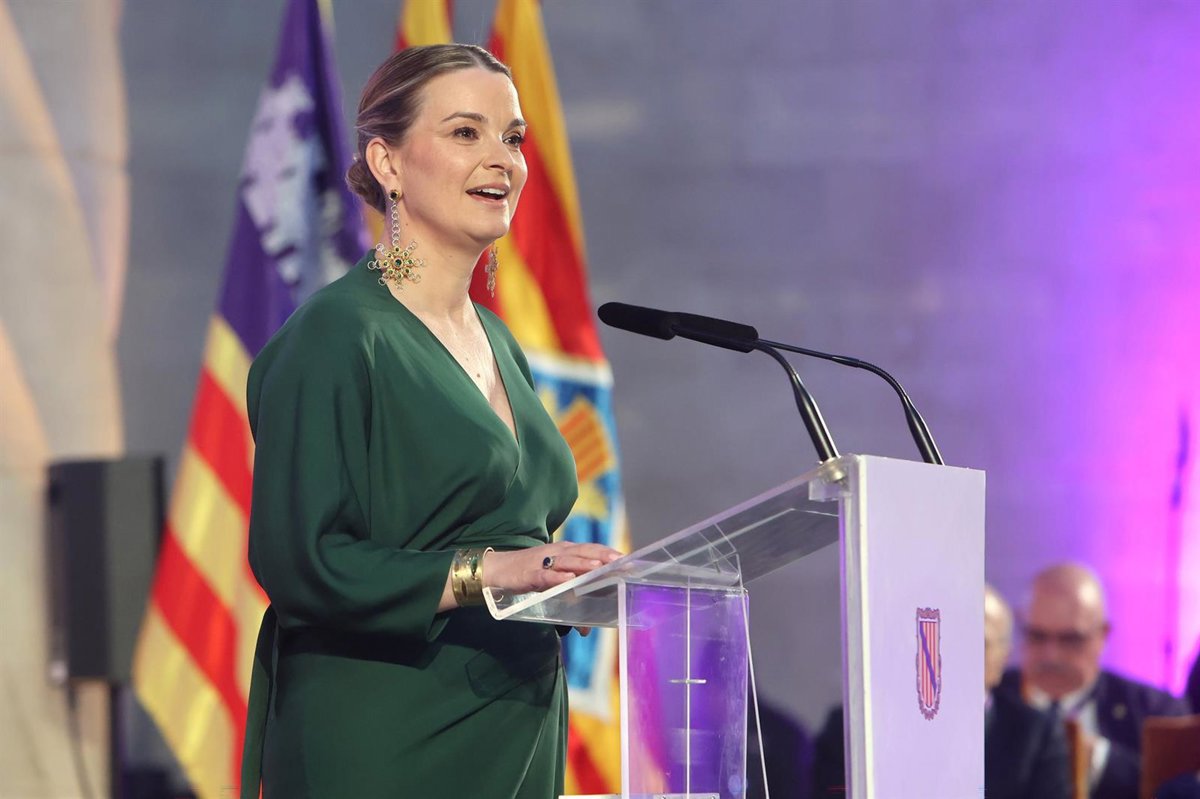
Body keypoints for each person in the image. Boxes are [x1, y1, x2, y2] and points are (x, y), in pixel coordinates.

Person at [238, 44, 621, 799]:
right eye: (465, 132)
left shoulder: (499, 340)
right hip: (386, 734)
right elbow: (302, 561)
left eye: (513, 137)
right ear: (387, 163)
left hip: (515, 724)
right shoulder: (338, 335)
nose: (502, 159)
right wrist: (490, 571)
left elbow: (516, 532)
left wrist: (564, 584)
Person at [811, 585, 1070, 799]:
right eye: (951, 639)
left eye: (979, 643)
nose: (959, 654)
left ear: (1003, 658)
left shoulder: (1036, 735)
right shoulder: (858, 726)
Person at [996, 563, 1191, 799]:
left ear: (1102, 635)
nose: (1051, 655)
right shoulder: (989, 700)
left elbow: (1179, 788)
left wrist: (1099, 759)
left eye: (1070, 639)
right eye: (1037, 636)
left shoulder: (1155, 712)